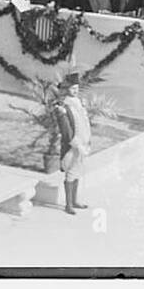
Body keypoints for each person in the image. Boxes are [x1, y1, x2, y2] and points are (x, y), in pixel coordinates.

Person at [53, 72, 91, 215]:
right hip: (73, 146)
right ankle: (68, 204)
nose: (75, 91)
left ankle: (75, 200)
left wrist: (87, 141)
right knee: (71, 173)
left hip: (83, 143)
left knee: (78, 172)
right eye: (72, 88)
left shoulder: (79, 104)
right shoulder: (63, 107)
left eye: (77, 88)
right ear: (66, 89)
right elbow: (67, 130)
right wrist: (77, 145)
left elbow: (84, 123)